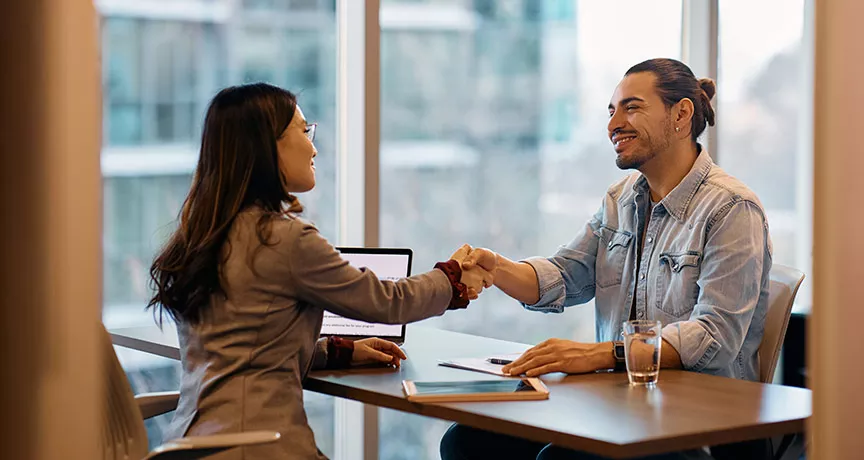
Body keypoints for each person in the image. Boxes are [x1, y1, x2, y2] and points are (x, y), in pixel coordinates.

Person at [440, 58, 774, 460]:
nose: (614, 123)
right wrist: (497, 267)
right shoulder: (620, 199)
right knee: (467, 441)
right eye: (611, 111)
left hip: (704, 429)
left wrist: (598, 355)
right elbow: (565, 275)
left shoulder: (732, 208)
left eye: (631, 107)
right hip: (624, 410)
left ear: (681, 114)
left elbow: (715, 339)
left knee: (561, 459)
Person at [147, 82, 492, 460]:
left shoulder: (202, 236)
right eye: (303, 129)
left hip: (189, 444)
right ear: (268, 145)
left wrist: (338, 352)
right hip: (256, 449)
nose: (313, 146)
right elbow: (388, 302)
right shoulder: (281, 239)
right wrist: (453, 277)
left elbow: (243, 349)